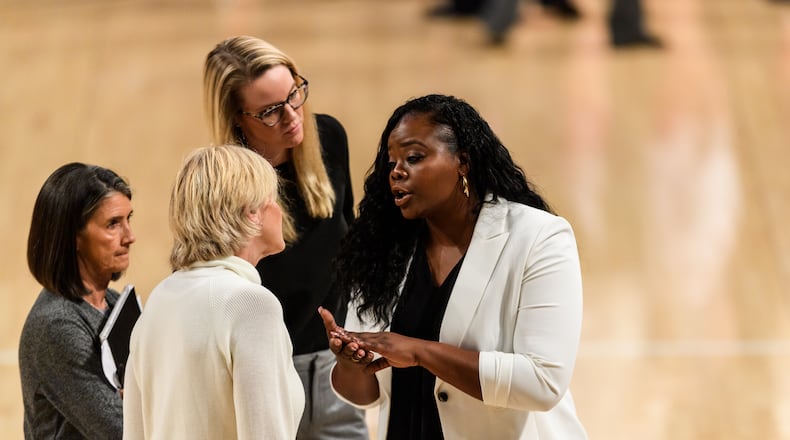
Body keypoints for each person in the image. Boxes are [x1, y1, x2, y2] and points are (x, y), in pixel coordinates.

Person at [320, 94, 588, 439]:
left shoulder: (538, 237)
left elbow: (542, 383)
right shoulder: (382, 249)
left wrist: (419, 351)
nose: (397, 172)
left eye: (414, 157)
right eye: (392, 163)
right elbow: (367, 395)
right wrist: (349, 363)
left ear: (463, 162)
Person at [203, 36, 366, 439]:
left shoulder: (329, 137)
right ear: (238, 118)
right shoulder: (223, 188)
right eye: (271, 112)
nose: (292, 115)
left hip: (337, 365)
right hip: (267, 376)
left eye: (294, 94)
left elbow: (349, 239)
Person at [122, 144, 304, 439]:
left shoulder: (159, 300)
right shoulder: (251, 305)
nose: (280, 209)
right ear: (251, 213)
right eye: (273, 198)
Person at [19, 162, 135, 439]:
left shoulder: (111, 301)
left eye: (129, 219)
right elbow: (124, 431)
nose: (130, 236)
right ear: (73, 237)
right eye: (113, 224)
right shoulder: (58, 326)